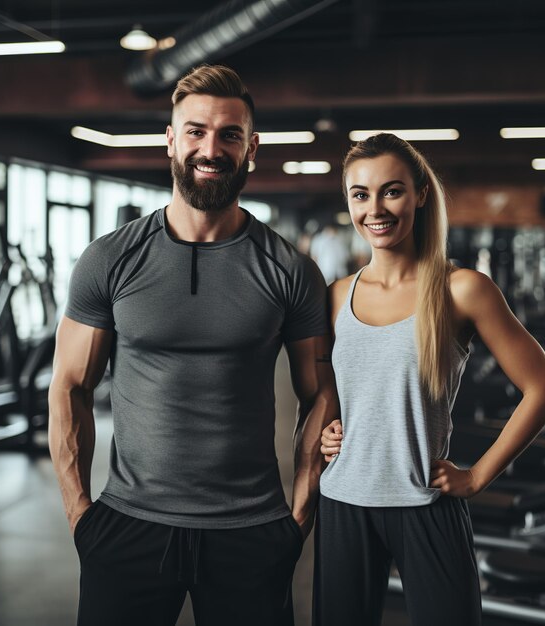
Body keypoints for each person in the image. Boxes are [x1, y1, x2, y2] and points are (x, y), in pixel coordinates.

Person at [48, 64, 336, 626]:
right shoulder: (110, 259)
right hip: (127, 526)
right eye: (197, 131)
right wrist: (80, 513)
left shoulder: (290, 270)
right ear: (171, 140)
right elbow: (69, 386)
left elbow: (320, 393)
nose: (212, 148)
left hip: (251, 532)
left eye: (230, 134)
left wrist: (300, 514)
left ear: (252, 147)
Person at [315, 133, 545, 626]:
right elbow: (338, 392)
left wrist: (477, 475)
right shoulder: (336, 296)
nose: (375, 209)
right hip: (344, 501)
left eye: (392, 190)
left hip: (425, 500)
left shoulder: (462, 289)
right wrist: (327, 428)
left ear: (420, 193)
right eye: (360, 194)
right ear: (348, 201)